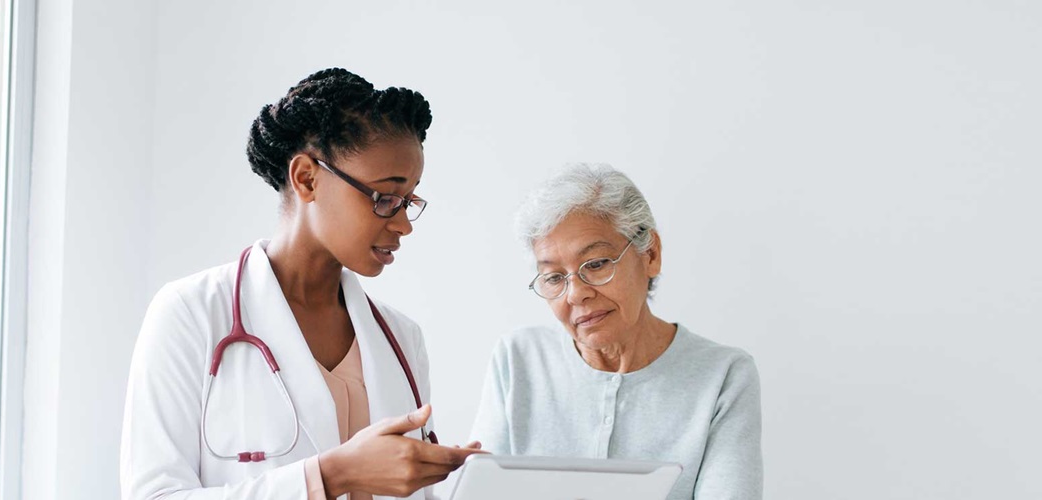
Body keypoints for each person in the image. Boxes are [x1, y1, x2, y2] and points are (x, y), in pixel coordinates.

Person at [121, 68, 482, 500]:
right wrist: (330, 476)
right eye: (385, 198)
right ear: (307, 178)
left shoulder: (403, 338)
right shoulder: (190, 313)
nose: (404, 224)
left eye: (409, 201)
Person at [471, 163, 763, 499]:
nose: (575, 293)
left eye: (595, 264)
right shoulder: (518, 358)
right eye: (554, 277)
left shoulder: (724, 376)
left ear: (650, 255)